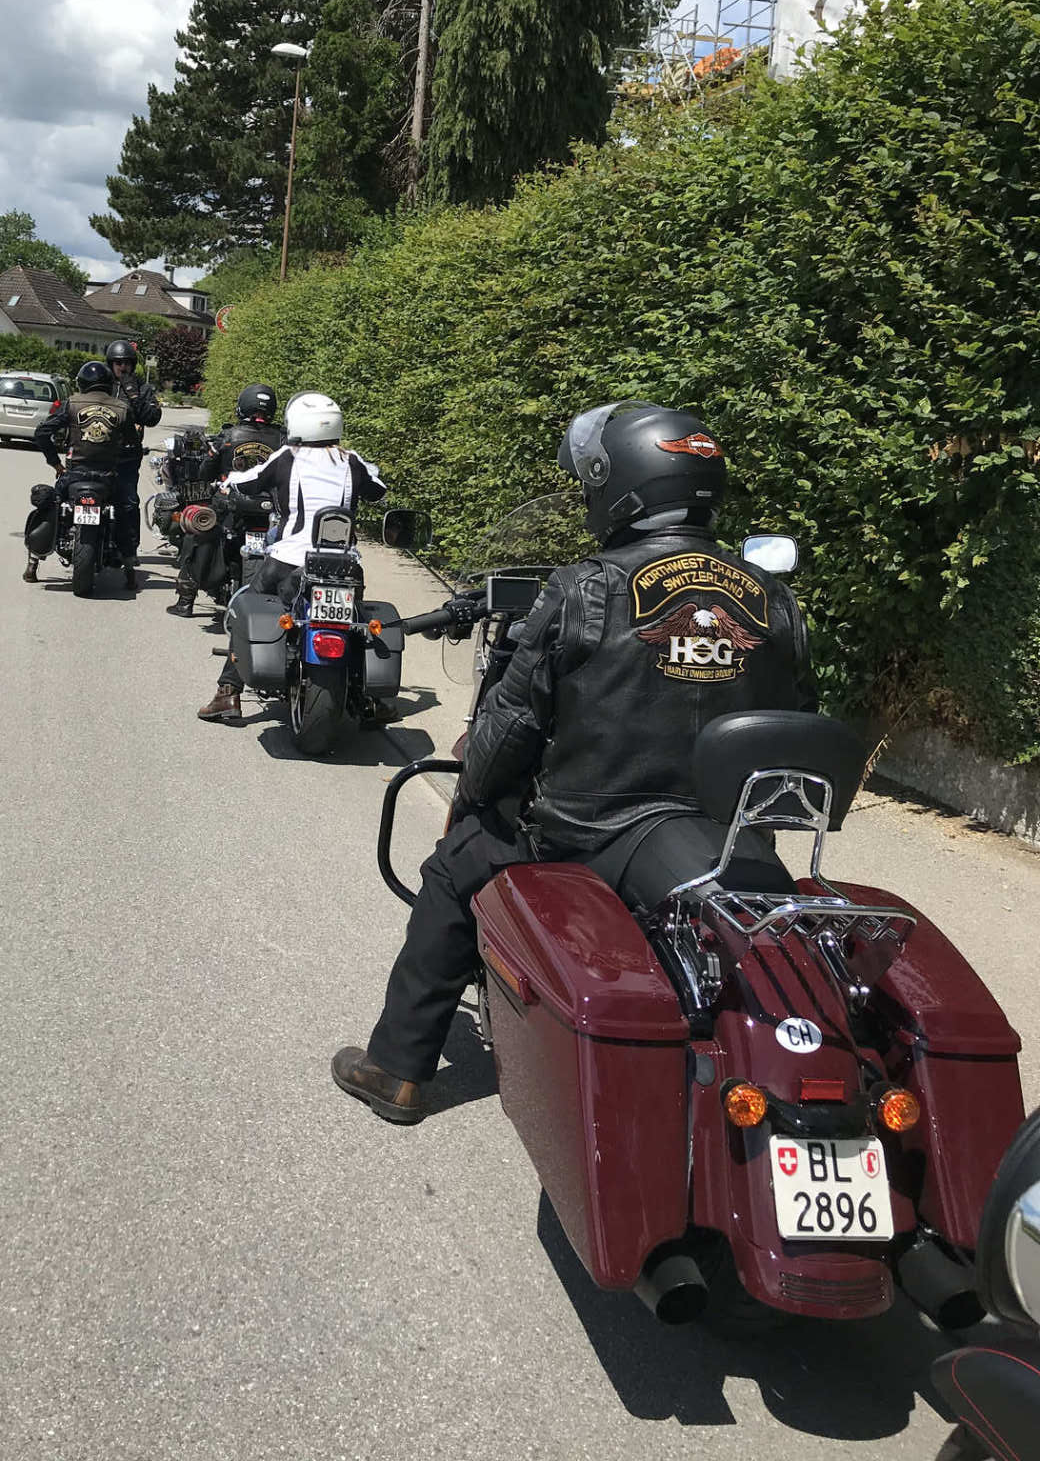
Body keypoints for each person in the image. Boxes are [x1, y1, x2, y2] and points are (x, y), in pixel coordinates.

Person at [331, 400, 818, 1124]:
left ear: (623, 486)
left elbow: (512, 723)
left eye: (592, 483)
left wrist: (476, 789)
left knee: (451, 873)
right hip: (723, 837)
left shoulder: (587, 587)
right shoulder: (773, 597)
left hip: (587, 830)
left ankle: (397, 1071)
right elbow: (795, 720)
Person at [195, 392, 387, 723]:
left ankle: (228, 693)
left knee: (247, 611)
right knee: (355, 624)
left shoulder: (288, 456)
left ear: (295, 423)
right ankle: (369, 699)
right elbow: (378, 489)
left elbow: (249, 481)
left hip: (288, 561)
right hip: (343, 566)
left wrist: (228, 482)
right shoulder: (352, 461)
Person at [170, 383, 286, 617]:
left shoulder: (229, 435)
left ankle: (185, 601)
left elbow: (205, 472)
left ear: (243, 406)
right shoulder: (284, 439)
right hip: (270, 508)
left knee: (198, 533)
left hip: (232, 505)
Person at [23, 361, 131, 583]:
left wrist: (56, 464)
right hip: (107, 478)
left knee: (51, 506)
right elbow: (132, 441)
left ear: (82, 383)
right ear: (109, 384)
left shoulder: (72, 403)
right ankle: (130, 569)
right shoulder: (122, 408)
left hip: (74, 476)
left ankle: (33, 563)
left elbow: (42, 432)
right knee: (123, 511)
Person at [105, 338, 163, 571]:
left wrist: (135, 397)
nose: (123, 367)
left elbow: (152, 418)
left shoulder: (142, 388)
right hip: (98, 452)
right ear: (110, 364)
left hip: (128, 455)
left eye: (127, 363)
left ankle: (130, 548)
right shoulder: (102, 385)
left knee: (129, 500)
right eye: (118, 363)